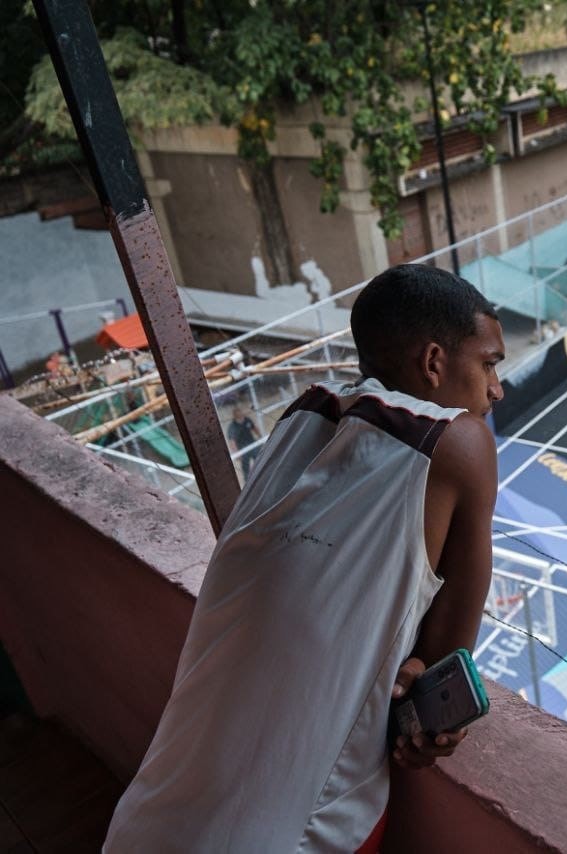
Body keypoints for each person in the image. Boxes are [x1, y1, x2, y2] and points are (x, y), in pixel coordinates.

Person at [104, 265, 505, 852]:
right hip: (291, 833)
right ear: (434, 363)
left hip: (144, 823)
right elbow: (444, 664)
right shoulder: (459, 444)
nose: (497, 388)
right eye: (489, 364)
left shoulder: (302, 417)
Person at [226, 404, 262, 477]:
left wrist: (261, 438)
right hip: (242, 450)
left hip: (253, 445)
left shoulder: (247, 419)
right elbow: (232, 442)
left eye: (241, 412)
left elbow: (255, 428)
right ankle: (249, 483)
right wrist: (237, 453)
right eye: (239, 413)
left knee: (260, 461)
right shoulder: (232, 427)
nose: (241, 414)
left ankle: (259, 475)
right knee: (246, 470)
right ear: (235, 415)